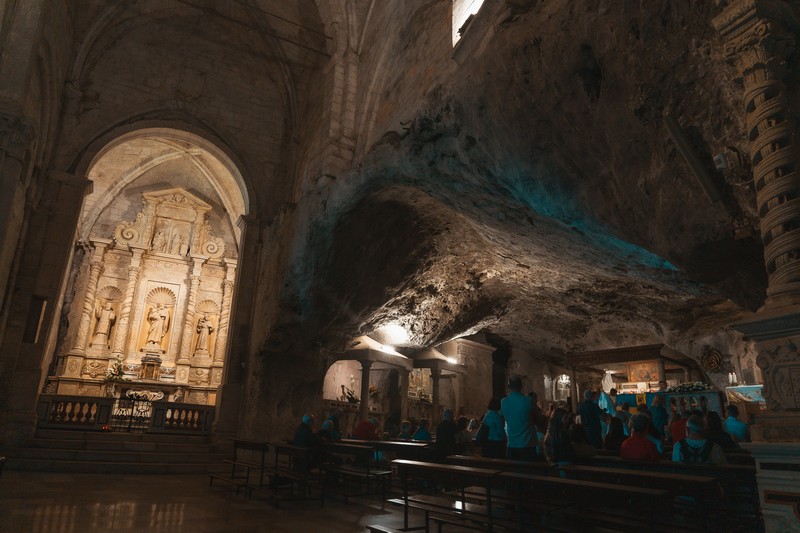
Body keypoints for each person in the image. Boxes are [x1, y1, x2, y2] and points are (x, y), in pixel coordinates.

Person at [501, 376, 536, 460]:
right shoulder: (529, 400)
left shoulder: (504, 402)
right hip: (528, 445)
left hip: (512, 444)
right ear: (521, 386)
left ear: (508, 387)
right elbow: (537, 419)